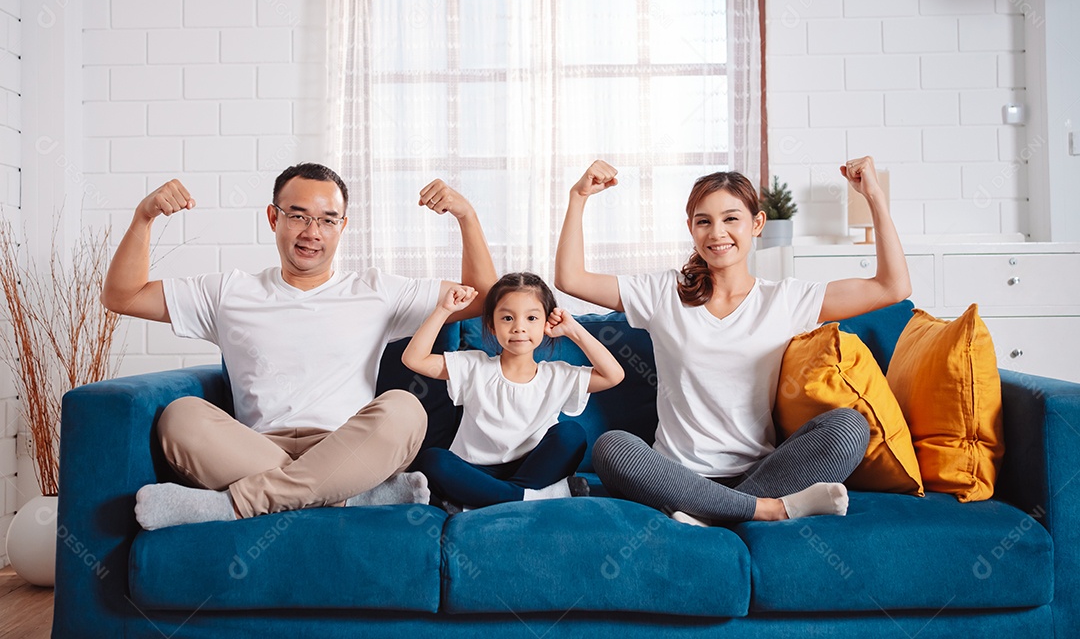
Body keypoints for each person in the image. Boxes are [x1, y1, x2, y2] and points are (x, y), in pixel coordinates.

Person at [100, 163, 497, 530]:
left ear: (343, 226)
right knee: (180, 416)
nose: (312, 232)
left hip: (348, 447)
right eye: (299, 216)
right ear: (274, 218)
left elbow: (483, 300)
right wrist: (144, 217)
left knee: (405, 410)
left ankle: (233, 506)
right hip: (252, 450)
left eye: (327, 220)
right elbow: (124, 295)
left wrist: (468, 217)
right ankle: (352, 498)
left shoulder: (377, 291)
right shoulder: (227, 291)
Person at [554, 157, 910, 525]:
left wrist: (874, 197)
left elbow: (892, 287)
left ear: (757, 224)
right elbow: (570, 278)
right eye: (703, 221)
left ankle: (711, 513)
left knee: (849, 427)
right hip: (677, 477)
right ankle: (763, 510)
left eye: (731, 219)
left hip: (762, 474)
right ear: (691, 229)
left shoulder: (785, 299)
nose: (717, 233)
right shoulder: (663, 292)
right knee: (613, 448)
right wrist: (578, 197)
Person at [402, 272, 624, 511]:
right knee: (432, 459)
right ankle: (532, 497)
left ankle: (485, 498)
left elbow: (614, 375)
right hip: (475, 470)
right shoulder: (473, 366)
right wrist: (444, 310)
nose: (519, 327)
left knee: (571, 434)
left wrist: (575, 331)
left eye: (531, 318)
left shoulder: (557, 375)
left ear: (546, 324)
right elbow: (414, 359)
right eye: (507, 318)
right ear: (492, 325)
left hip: (533, 469)